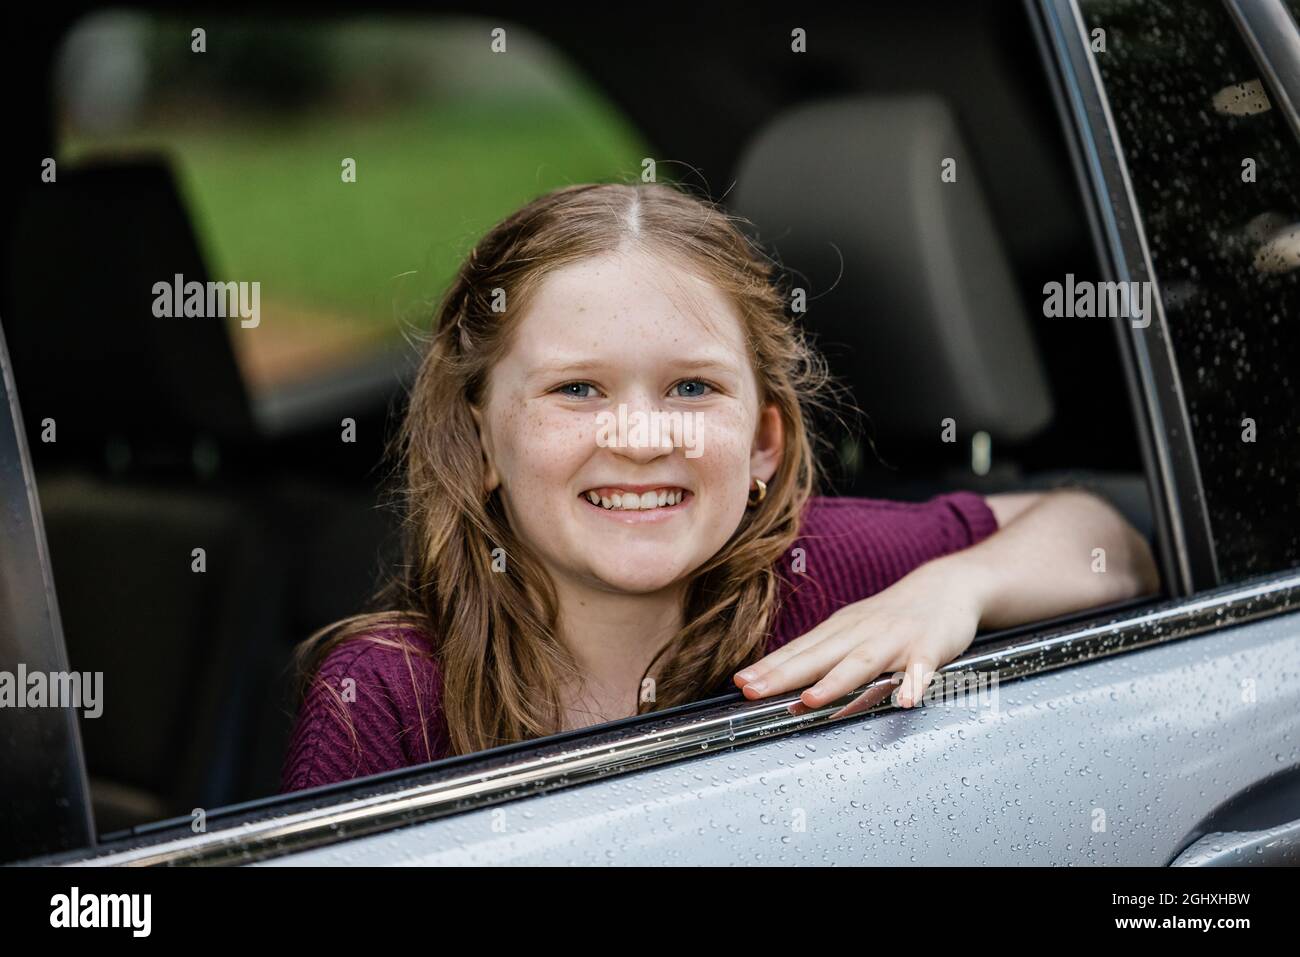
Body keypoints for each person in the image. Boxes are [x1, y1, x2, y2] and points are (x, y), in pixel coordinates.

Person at [281, 182, 1159, 793]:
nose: (641, 438)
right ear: (477, 441)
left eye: (692, 388)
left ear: (763, 443)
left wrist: (954, 588)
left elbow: (1104, 539)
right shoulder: (385, 695)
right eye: (576, 389)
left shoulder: (822, 571)